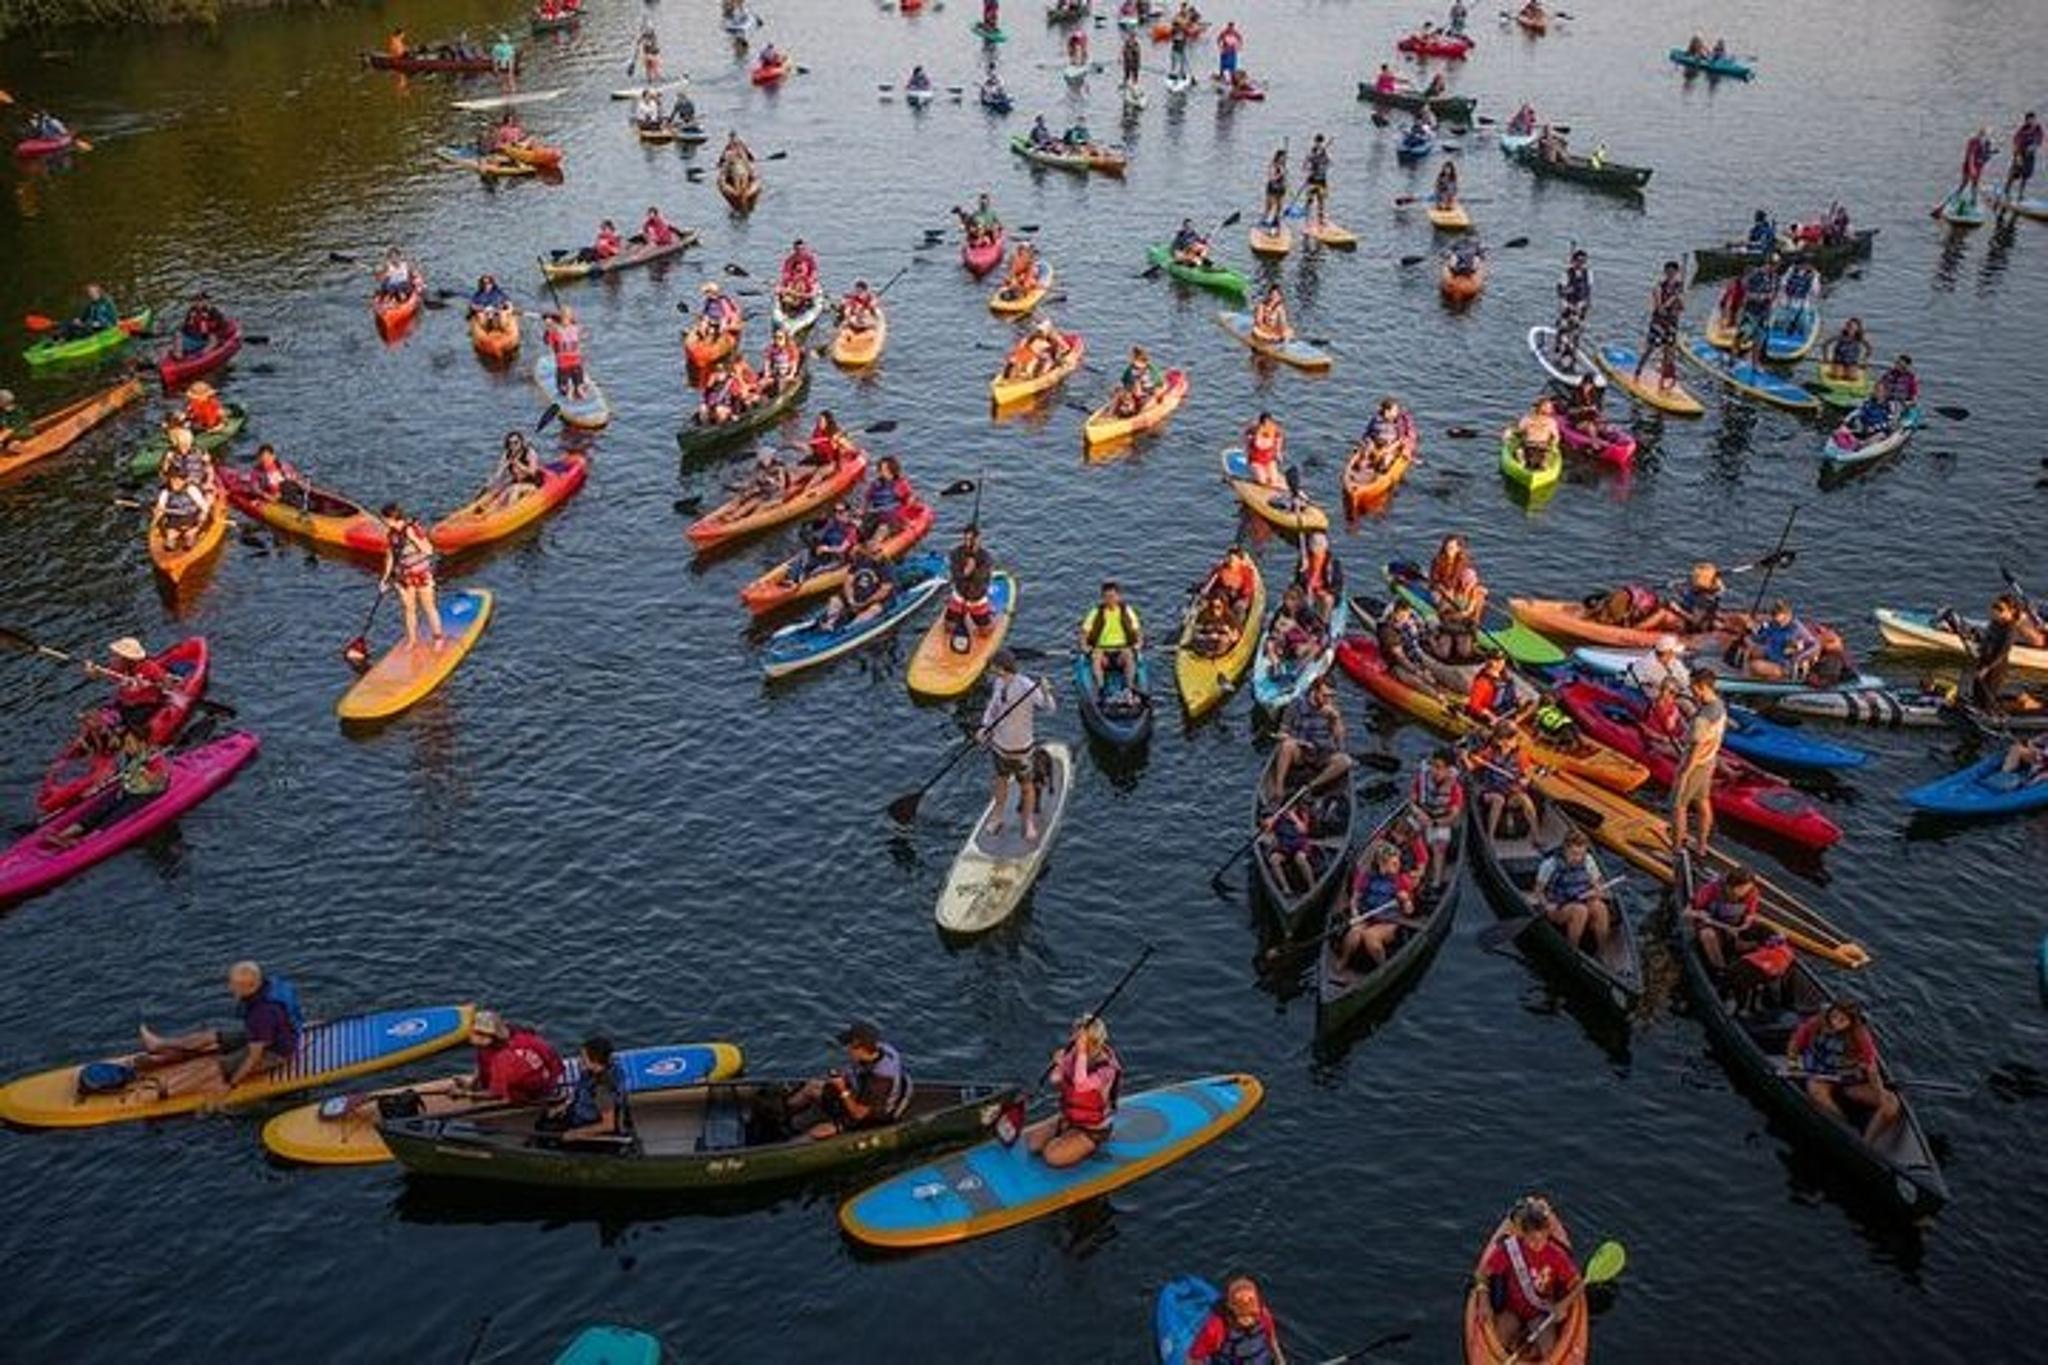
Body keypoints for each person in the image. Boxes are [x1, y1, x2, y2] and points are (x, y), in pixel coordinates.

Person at [131, 962, 304, 1099]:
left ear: (250, 986)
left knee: (215, 1066)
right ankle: (159, 1045)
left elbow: (254, 1057)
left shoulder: (262, 1013)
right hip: (270, 1035)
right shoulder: (268, 985)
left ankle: (164, 1091)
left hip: (276, 1051)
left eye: (234, 985)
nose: (230, 988)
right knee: (210, 1036)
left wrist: (231, 1084)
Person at [1478, 1197, 1582, 1363]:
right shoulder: (1510, 1249)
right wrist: (1483, 1299)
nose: (1537, 1245)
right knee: (1497, 1341)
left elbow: (1578, 1284)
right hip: (1512, 1310)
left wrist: (1563, 1304)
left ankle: (1528, 1346)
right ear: (1522, 1235)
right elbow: (1483, 1272)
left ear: (1548, 1233)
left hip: (1540, 1314)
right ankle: (1520, 1344)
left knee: (1550, 1352)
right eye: (1532, 1240)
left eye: (1541, 1239)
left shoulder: (1557, 1256)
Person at [1788, 1000, 1899, 1142]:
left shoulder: (1860, 1035)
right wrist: (1793, 1066)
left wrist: (1880, 1091)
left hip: (1848, 1079)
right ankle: (1844, 1127)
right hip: (1821, 1074)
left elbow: (1871, 1069)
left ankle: (1867, 1142)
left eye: (1842, 1020)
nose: (1835, 1022)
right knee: (1815, 1089)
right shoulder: (1816, 1023)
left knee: (1891, 1104)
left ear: (1851, 1022)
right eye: (1834, 1016)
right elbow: (1795, 1042)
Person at [785, 1020, 911, 1140]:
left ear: (860, 1049)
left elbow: (859, 1114)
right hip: (857, 1094)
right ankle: (785, 1112)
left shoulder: (879, 1081)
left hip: (868, 1119)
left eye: (849, 1047)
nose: (846, 1050)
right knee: (812, 1087)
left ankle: (792, 1135)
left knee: (813, 1134)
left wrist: (842, 1089)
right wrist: (844, 1078)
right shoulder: (881, 1049)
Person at [1025, 1016, 1122, 1168]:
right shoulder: (1074, 1054)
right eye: (1074, 1036)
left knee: (1051, 1157)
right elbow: (1055, 1079)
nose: (1072, 1040)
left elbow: (1081, 1085)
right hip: (1069, 1118)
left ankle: (1084, 1143)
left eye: (1078, 1038)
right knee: (1033, 1144)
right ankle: (1068, 1133)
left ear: (1092, 1042)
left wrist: (1081, 1051)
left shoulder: (1107, 1070)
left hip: (1094, 1129)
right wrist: (1059, 1064)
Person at [981, 649, 1055, 841]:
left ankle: (1028, 822)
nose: (990, 669)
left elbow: (1050, 709)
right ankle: (997, 817)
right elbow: (992, 709)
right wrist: (984, 727)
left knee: (1026, 787)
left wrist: (1046, 692)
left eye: (992, 666)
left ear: (1000, 667)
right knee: (1001, 781)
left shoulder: (1026, 686)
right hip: (999, 746)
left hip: (1022, 749)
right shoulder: (998, 683)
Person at [1333, 840, 1416, 969]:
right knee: (1354, 933)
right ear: (1382, 864)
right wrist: (1355, 914)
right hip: (1367, 916)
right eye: (1394, 863)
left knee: (1370, 936)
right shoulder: (1366, 877)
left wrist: (1405, 901)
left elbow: (1409, 911)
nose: (1398, 865)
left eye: (1398, 862)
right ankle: (1344, 960)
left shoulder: (1401, 880)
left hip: (1389, 920)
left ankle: (1383, 967)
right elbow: (1355, 899)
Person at [1670, 668, 1725, 856]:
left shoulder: (1703, 717)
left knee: (1678, 806)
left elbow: (1697, 746)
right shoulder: (1719, 705)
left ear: (1700, 687)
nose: (1691, 690)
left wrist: (1685, 771)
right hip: (1709, 762)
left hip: (1695, 764)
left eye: (1692, 687)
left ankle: (1676, 850)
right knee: (1703, 801)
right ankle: (1701, 846)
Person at [1533, 828, 1612, 954]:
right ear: (1565, 849)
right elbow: (1538, 891)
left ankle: (1603, 950)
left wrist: (1598, 892)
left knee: (1600, 907)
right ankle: (1572, 950)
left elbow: (1597, 884)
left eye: (1581, 854)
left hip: (1582, 899)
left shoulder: (1588, 860)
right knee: (1580, 911)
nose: (1578, 858)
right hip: (1559, 906)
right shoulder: (1550, 864)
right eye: (1574, 853)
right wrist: (1546, 904)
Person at [378, 502, 444, 649]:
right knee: (409, 609)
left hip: (421, 573)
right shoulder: (391, 534)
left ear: (391, 518)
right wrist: (385, 578)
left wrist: (415, 540)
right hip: (403, 576)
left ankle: (438, 638)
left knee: (428, 607)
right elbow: (390, 556)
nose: (383, 523)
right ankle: (412, 640)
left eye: (384, 520)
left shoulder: (412, 530)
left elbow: (429, 550)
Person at [1274, 673, 1350, 793]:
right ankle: (1279, 787)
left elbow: (1340, 740)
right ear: (1315, 691)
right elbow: (1281, 733)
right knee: (1287, 745)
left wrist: (1336, 718)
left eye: (1331, 696)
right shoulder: (1296, 704)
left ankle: (1311, 785)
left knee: (1345, 761)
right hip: (1301, 752)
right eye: (1325, 696)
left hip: (1322, 753)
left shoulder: (1333, 708)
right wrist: (1299, 742)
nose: (1328, 700)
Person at [1686, 864, 1769, 972]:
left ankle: (1747, 958)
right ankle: (1721, 968)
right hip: (1713, 924)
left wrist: (1745, 925)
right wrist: (1699, 914)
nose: (1745, 892)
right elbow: (1687, 912)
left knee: (1763, 932)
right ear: (1731, 886)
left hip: (1735, 927)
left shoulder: (1752, 892)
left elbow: (1750, 914)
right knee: (1708, 935)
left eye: (1748, 888)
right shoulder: (1711, 889)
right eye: (1742, 889)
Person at [1186, 1276, 1284, 1363]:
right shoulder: (1215, 1328)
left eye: (1251, 1316)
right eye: (1241, 1316)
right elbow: (1193, 1359)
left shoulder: (1263, 1315)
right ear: (1230, 1313)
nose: (1247, 1321)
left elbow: (1272, 1342)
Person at [1466, 723, 1538, 841]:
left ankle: (1536, 836)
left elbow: (1528, 773)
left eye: (1516, 738)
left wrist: (1526, 780)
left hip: (1509, 792)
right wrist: (1467, 757)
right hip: (1489, 792)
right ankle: (1489, 837)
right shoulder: (1490, 752)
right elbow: (1470, 767)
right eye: (1513, 738)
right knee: (1499, 800)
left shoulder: (1520, 755)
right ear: (1501, 741)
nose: (1516, 741)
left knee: (1526, 800)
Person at [1410, 747, 1465, 887]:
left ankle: (1436, 880)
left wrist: (1434, 823)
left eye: (1438, 767)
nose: (1433, 770)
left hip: (1440, 821)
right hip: (1422, 815)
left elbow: (1453, 816)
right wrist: (1419, 813)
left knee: (1438, 845)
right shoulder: (1422, 779)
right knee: (1403, 832)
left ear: (1448, 769)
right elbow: (1411, 802)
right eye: (1432, 765)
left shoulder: (1455, 788)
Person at [1079, 581, 1144, 693]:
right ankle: (1100, 687)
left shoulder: (1126, 610)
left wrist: (1139, 643)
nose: (1110, 600)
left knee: (1128, 654)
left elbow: (1138, 631)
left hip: (1122, 651)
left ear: (1118, 596)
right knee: (1097, 655)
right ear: (1102, 598)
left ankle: (1130, 687)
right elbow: (1084, 633)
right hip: (1102, 651)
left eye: (1112, 596)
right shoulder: (1096, 612)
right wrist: (1084, 646)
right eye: (1106, 597)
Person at [816, 540, 896, 631]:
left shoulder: (886, 566)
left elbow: (884, 591)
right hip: (857, 596)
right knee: (835, 600)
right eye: (874, 553)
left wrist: (863, 604)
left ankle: (850, 628)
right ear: (867, 553)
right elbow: (848, 581)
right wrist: (851, 599)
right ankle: (829, 623)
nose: (878, 554)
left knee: (874, 609)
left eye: (880, 551)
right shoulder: (860, 561)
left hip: (874, 600)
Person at [941, 523, 999, 648]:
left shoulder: (986, 557)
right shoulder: (956, 553)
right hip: (959, 596)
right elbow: (955, 575)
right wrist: (965, 571)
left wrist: (973, 569)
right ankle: (957, 615)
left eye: (972, 540)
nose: (969, 543)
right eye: (966, 540)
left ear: (979, 540)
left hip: (976, 599)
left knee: (985, 633)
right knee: (948, 628)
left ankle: (991, 614)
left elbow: (982, 578)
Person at [1636, 259, 1686, 386]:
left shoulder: (1679, 288)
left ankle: (1664, 378)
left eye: (1673, 272)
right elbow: (1660, 308)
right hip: (1658, 322)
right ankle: (1638, 370)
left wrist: (1679, 299)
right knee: (1651, 348)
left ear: (1677, 272)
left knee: (1668, 351)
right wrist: (1673, 297)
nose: (1671, 274)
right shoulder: (1659, 286)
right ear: (1665, 272)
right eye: (1668, 271)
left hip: (1672, 323)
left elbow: (1682, 308)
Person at [1376, 596, 1434, 694]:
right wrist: (1417, 671)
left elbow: (1420, 640)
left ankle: (1440, 689)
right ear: (1394, 613)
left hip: (1413, 659)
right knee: (1416, 680)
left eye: (1406, 616)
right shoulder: (1387, 630)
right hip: (1395, 665)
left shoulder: (1408, 624)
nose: (1404, 619)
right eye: (1401, 616)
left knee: (1432, 675)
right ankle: (1439, 698)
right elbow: (1400, 657)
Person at [150, 468, 212, 555]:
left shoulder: (192, 490)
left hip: (191, 519)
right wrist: (154, 522)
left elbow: (204, 507)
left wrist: (201, 519)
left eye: (179, 480)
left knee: (189, 540)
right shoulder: (166, 492)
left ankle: (192, 535)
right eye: (173, 480)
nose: (176, 483)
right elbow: (160, 509)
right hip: (174, 520)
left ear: (184, 481)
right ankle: (173, 539)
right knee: (169, 543)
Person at [857, 455, 916, 538]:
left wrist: (905, 520)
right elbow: (867, 498)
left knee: (881, 530)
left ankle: (876, 545)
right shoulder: (876, 484)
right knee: (860, 531)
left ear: (892, 470)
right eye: (881, 469)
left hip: (893, 519)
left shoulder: (900, 484)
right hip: (877, 515)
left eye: (885, 470)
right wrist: (862, 510)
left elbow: (909, 501)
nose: (882, 472)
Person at [1465, 650, 1530, 726]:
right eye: (1497, 660)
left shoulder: (1505, 677)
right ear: (1489, 661)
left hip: (1506, 711)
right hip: (1491, 717)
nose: (1501, 663)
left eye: (1502, 660)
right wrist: (1489, 714)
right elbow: (1474, 705)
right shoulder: (1482, 682)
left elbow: (1508, 694)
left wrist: (1517, 701)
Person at [541, 305, 591, 402]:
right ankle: (577, 387)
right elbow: (583, 333)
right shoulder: (576, 328)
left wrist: (548, 326)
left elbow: (546, 341)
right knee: (578, 381)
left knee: (563, 388)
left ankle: (569, 389)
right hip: (575, 363)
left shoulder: (555, 331)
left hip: (564, 365)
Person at [1553, 249, 1591, 358]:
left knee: (1577, 330)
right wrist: (1565, 302)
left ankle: (1572, 351)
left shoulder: (1588, 273)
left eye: (1583, 261)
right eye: (1579, 261)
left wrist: (1585, 304)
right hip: (1568, 303)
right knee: (1564, 327)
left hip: (1581, 305)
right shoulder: (1566, 273)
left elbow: (1588, 291)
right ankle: (1558, 347)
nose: (1581, 264)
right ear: (1573, 261)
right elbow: (1560, 290)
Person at [1510, 396, 1560, 475]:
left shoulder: (1550, 422)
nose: (1551, 409)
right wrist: (1509, 432)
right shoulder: (1528, 419)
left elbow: (1556, 437)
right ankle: (1526, 466)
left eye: (1550, 407)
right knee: (1520, 453)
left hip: (1540, 447)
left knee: (1544, 460)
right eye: (1548, 407)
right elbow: (1518, 430)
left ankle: (1539, 467)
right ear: (1540, 408)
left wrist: (1554, 446)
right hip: (1532, 446)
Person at [490, 431, 546, 500]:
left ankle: (510, 510)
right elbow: (498, 474)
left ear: (521, 442)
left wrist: (517, 464)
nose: (513, 445)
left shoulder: (530, 453)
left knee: (515, 489)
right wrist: (502, 468)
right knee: (502, 493)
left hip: (532, 483)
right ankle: (497, 509)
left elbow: (532, 472)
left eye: (516, 442)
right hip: (517, 482)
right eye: (510, 443)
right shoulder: (507, 455)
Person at [170, 293, 229, 358]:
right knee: (178, 334)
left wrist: (220, 337)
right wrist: (181, 333)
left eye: (200, 300)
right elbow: (185, 326)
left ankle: (201, 355)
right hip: (194, 336)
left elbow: (223, 326)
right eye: (196, 301)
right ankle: (179, 355)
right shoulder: (192, 312)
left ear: (206, 301)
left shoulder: (214, 312)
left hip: (206, 339)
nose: (198, 303)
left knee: (213, 338)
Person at [2003, 110, 2042, 201]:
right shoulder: (2023, 130)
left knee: (2026, 175)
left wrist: (2034, 145)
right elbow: (2016, 141)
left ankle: (2021, 194)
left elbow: (2039, 139)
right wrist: (2018, 156)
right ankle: (2007, 189)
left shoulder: (2038, 129)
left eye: (2033, 119)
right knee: (2015, 173)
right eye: (2030, 120)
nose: (2032, 121)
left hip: (2030, 156)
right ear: (2026, 120)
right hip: (2020, 154)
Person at [1954, 125, 1995, 206]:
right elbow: (1971, 155)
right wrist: (1972, 167)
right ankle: (1957, 196)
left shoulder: (1987, 143)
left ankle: (1973, 200)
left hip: (1978, 165)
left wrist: (1991, 153)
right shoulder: (1973, 141)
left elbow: (1986, 155)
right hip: (1969, 165)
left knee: (1975, 183)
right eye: (1986, 134)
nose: (1987, 136)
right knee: (1965, 182)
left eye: (1988, 135)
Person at [1260, 145, 1288, 227]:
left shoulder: (1283, 166)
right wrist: (1280, 174)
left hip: (1281, 189)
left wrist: (1285, 182)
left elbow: (1284, 179)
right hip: (1272, 188)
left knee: (1279, 206)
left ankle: (1276, 221)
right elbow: (1272, 178)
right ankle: (1264, 221)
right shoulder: (1273, 166)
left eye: (1285, 158)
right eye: (1283, 157)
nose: (1284, 159)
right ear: (1278, 157)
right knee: (1269, 207)